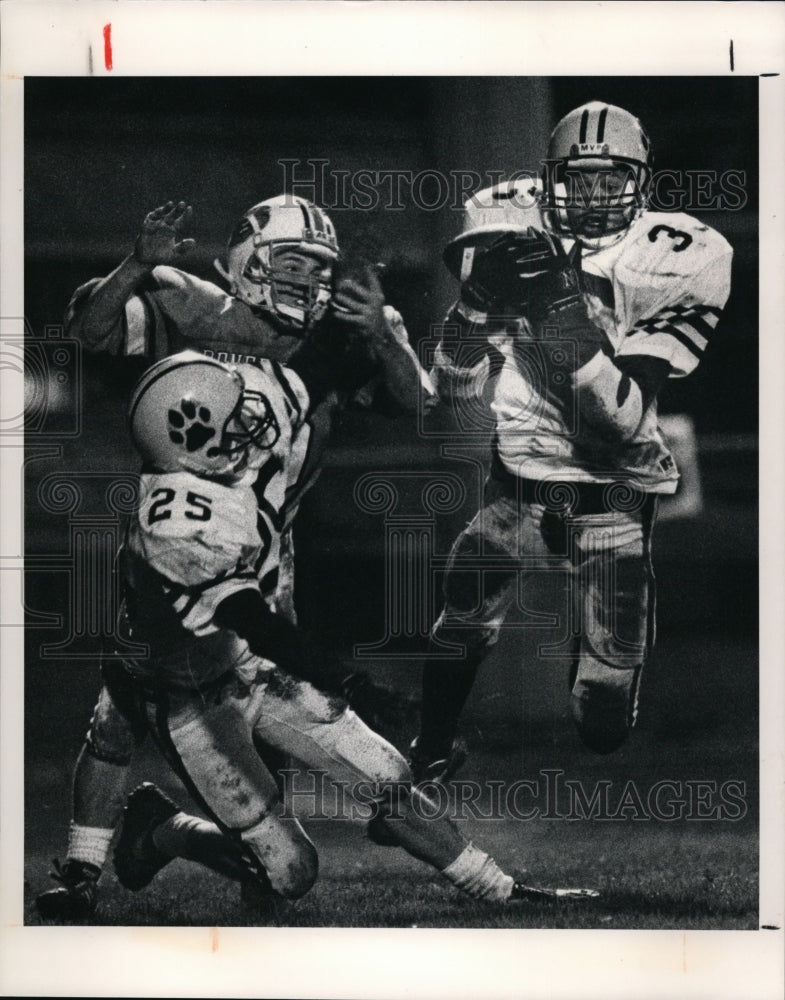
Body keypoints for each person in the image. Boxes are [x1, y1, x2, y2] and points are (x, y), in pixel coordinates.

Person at [35, 194, 432, 920]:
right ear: (250, 260)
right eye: (289, 262)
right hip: (182, 534)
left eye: (318, 268)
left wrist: (383, 333)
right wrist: (138, 264)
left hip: (269, 557)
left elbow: (417, 402)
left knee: (259, 758)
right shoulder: (199, 308)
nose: (305, 281)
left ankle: (172, 835)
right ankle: (81, 870)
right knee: (126, 699)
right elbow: (89, 331)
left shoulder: (347, 331)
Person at [92, 351, 597, 912]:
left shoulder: (216, 463)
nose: (252, 422)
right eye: (234, 417)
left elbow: (337, 387)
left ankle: (501, 892)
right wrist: (355, 685)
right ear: (196, 440)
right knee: (292, 872)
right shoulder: (179, 526)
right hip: (197, 699)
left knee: (387, 777)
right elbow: (255, 623)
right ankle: (162, 830)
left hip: (252, 663)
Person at [406, 101, 733, 783]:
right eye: (577, 179)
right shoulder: (503, 217)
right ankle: (430, 748)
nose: (592, 193)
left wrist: (558, 311)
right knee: (463, 609)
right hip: (520, 479)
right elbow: (454, 397)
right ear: (549, 178)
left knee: (602, 719)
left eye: (609, 178)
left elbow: (618, 417)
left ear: (640, 181)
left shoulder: (681, 254)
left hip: (613, 486)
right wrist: (470, 311)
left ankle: (601, 670)